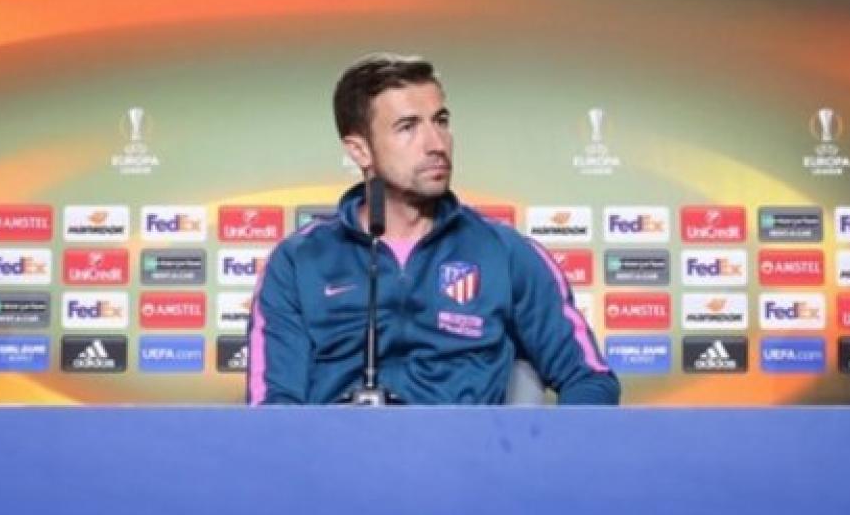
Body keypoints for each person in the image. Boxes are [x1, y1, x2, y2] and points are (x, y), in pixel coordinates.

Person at [247, 53, 619, 405]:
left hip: (471, 464)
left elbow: (590, 380)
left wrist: (534, 461)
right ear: (360, 151)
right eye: (407, 127)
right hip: (337, 465)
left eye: (440, 121)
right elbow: (273, 407)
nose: (436, 143)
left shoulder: (505, 253)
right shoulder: (298, 262)